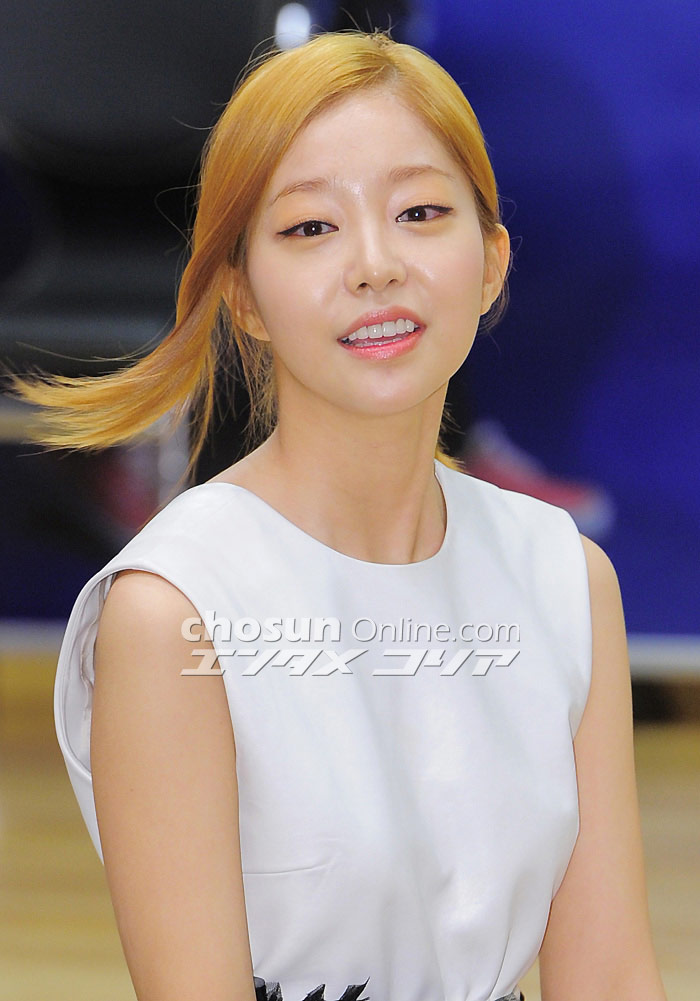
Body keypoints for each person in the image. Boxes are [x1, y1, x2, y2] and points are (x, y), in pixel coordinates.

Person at [11, 31, 666, 1001]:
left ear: (491, 262)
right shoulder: (175, 609)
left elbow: (609, 972)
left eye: (419, 213)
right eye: (311, 226)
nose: (374, 264)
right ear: (242, 295)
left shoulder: (563, 575)